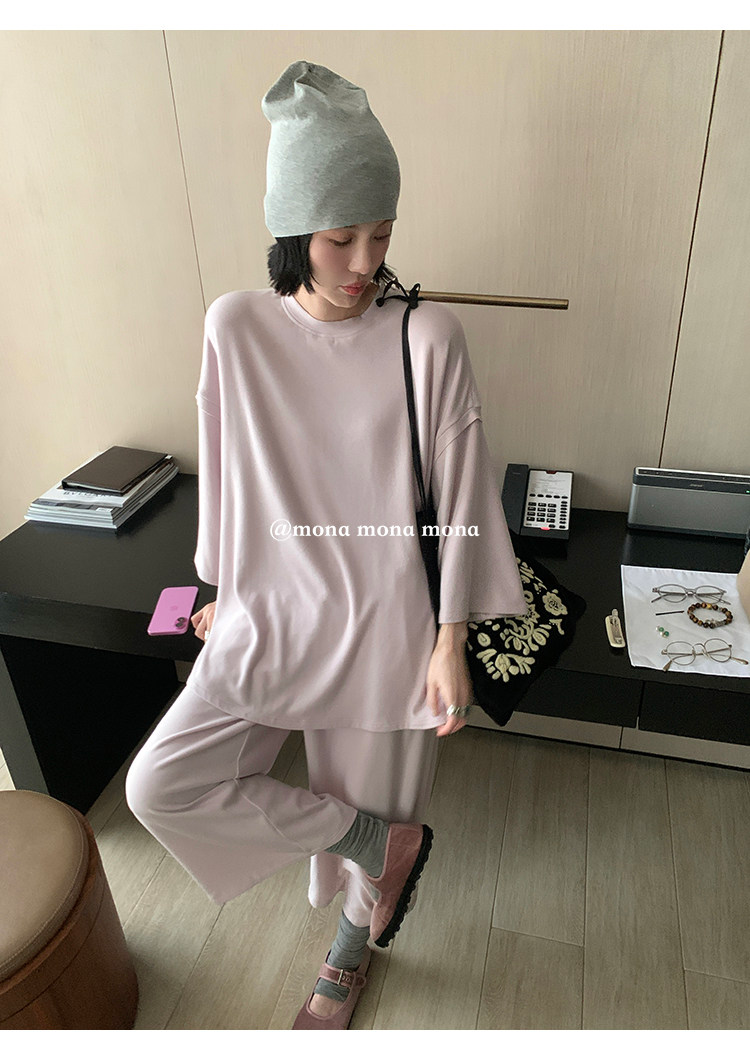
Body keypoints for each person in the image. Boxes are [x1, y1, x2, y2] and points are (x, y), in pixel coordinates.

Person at [125, 60, 526, 1031]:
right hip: (272, 614)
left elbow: (462, 497)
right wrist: (222, 587)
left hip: (389, 625)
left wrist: (451, 638)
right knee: (161, 784)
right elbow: (227, 470)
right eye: (340, 237)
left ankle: (348, 952)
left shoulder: (427, 337)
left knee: (370, 788)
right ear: (291, 231)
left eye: (381, 234)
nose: (363, 261)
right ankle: (376, 840)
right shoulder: (237, 327)